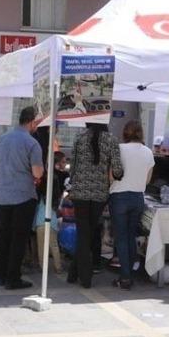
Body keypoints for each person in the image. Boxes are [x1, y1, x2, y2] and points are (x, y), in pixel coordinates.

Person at [0, 107, 45, 290]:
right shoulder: (32, 143)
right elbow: (37, 172)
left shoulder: (2, 138)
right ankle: (13, 277)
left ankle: (2, 274)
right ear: (31, 121)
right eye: (37, 122)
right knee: (19, 238)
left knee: (4, 236)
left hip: (3, 195)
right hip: (23, 195)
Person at [67, 122, 123, 289]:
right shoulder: (112, 140)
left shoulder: (79, 138)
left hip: (80, 193)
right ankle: (84, 277)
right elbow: (118, 170)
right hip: (99, 194)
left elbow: (73, 169)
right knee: (88, 234)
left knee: (84, 234)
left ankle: (75, 274)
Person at [108, 120, 154, 290]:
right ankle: (131, 271)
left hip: (119, 197)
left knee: (121, 237)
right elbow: (148, 180)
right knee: (131, 236)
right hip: (138, 198)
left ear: (125, 133)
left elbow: (111, 176)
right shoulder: (148, 152)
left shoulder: (119, 149)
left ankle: (125, 276)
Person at [34, 151, 67, 275]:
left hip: (39, 222)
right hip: (52, 222)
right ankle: (58, 267)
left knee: (41, 247)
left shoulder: (41, 199)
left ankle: (43, 268)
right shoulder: (55, 201)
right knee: (54, 246)